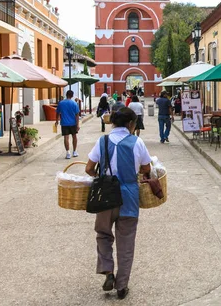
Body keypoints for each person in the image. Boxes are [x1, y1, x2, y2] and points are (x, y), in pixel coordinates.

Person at [85, 107, 152, 300]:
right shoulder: (137, 142)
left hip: (106, 196)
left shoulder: (102, 141)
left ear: (113, 123)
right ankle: (122, 286)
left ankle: (108, 272)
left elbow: (89, 168)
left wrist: (101, 175)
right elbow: (146, 168)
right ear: (131, 124)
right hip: (129, 197)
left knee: (103, 235)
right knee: (126, 241)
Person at [56, 90, 80, 159]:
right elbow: (77, 115)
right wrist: (77, 124)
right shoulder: (74, 103)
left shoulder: (61, 103)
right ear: (72, 95)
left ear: (66, 95)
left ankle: (68, 153)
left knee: (66, 138)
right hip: (73, 123)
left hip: (64, 123)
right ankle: (75, 151)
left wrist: (56, 121)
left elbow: (57, 112)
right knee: (74, 137)